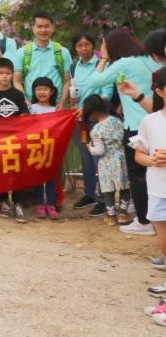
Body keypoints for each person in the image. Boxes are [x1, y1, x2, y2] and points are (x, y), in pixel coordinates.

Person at [83, 27, 166, 235]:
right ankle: (157, 219)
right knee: (156, 174)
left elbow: (93, 82)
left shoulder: (124, 63)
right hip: (157, 123)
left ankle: (144, 222)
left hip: (135, 127)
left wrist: (103, 58)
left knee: (137, 176)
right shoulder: (156, 61)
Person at [0, 57, 30, 223]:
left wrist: (20, 134)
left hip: (15, 139)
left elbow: (24, 116)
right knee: (0, 171)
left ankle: (18, 203)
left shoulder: (18, 95)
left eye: (8, 73)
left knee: (18, 171)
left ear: (12, 74)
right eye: (1, 73)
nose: (4, 76)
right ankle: (3, 201)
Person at [135, 68, 166, 320]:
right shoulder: (150, 121)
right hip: (157, 189)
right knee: (164, 244)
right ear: (160, 91)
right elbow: (139, 154)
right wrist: (152, 160)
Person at [71, 32, 112, 215]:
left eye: (87, 44)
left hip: (97, 120)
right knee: (85, 157)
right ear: (75, 48)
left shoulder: (101, 65)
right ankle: (89, 194)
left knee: (99, 158)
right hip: (80, 120)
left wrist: (88, 108)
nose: (83, 48)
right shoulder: (74, 67)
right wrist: (74, 101)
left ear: (93, 46)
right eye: (79, 45)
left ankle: (104, 200)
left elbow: (107, 93)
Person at [83, 93, 131, 226]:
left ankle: (111, 216)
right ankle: (123, 214)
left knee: (108, 189)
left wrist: (89, 147)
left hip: (106, 162)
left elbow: (99, 151)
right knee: (124, 186)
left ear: (92, 112)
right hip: (122, 158)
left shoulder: (96, 129)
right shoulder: (117, 120)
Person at [14, 11, 73, 109]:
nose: (43, 30)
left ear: (52, 27)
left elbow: (68, 80)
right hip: (31, 107)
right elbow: (16, 81)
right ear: (32, 28)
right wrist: (25, 102)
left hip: (56, 107)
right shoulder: (22, 52)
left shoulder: (63, 52)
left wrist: (62, 103)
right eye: (39, 26)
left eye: (47, 26)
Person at [28, 77, 62, 219]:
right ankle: (40, 204)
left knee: (51, 177)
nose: (42, 92)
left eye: (45, 89)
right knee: (37, 177)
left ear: (52, 91)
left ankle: (51, 204)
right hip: (36, 147)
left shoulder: (56, 109)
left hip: (51, 148)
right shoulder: (31, 108)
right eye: (38, 89)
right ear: (34, 91)